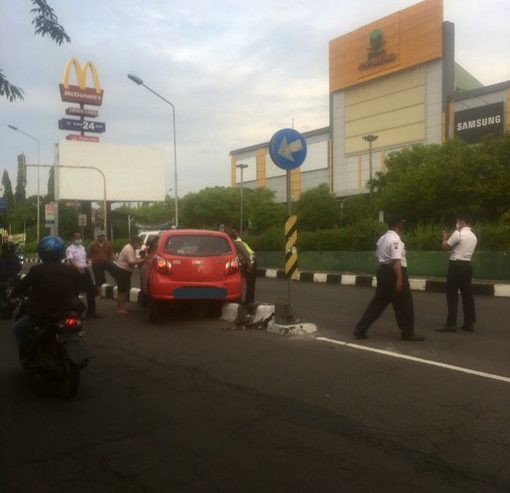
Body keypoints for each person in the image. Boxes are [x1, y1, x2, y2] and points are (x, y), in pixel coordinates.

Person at [353, 214, 425, 342]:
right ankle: (407, 333)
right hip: (394, 273)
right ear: (399, 225)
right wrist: (399, 279)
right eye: (402, 223)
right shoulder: (395, 240)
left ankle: (360, 329)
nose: (403, 225)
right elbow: (396, 261)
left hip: (383, 272)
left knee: (377, 304)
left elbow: (380, 255)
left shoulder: (382, 238)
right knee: (405, 303)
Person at [10, 236, 82, 363]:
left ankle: (29, 356)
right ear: (61, 252)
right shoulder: (71, 270)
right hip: (67, 311)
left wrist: (12, 295)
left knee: (17, 328)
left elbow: (21, 288)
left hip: (43, 314)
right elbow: (77, 290)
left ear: (42, 253)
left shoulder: (36, 270)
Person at [437, 214, 478, 332]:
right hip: (467, 265)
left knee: (452, 294)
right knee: (467, 294)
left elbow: (445, 247)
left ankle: (451, 324)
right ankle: (469, 323)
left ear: (462, 221)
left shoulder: (458, 233)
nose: (456, 223)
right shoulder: (473, 236)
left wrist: (444, 238)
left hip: (456, 265)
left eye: (457, 221)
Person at [66, 232, 100, 319]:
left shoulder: (82, 247)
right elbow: (70, 260)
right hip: (75, 271)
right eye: (77, 237)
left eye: (80, 237)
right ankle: (75, 314)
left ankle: (91, 313)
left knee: (91, 291)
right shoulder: (70, 249)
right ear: (72, 239)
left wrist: (88, 261)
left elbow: (84, 258)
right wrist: (78, 268)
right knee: (75, 292)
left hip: (85, 270)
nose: (79, 239)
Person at [114, 236, 145, 314]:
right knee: (122, 291)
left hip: (124, 271)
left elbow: (133, 260)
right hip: (122, 271)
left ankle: (122, 307)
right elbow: (131, 262)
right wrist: (143, 260)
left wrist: (140, 260)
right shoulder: (129, 249)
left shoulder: (131, 248)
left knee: (124, 290)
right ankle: (120, 309)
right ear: (135, 243)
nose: (140, 246)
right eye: (139, 244)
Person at [229, 229, 256, 305]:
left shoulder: (237, 243)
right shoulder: (238, 242)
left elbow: (247, 254)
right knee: (249, 283)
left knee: (250, 284)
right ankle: (248, 301)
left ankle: (249, 302)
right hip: (249, 261)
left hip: (251, 261)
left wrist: (250, 264)